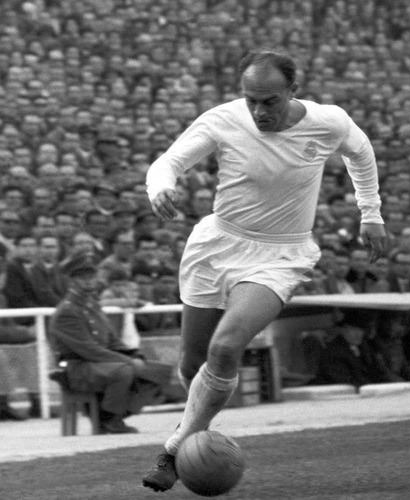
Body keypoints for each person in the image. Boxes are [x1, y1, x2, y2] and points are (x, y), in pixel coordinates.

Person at [141, 49, 386, 492]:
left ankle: (174, 451)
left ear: (293, 91)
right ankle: (195, 433)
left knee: (225, 346)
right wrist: (161, 187)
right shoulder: (223, 119)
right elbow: (168, 162)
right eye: (251, 99)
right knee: (193, 362)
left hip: (280, 255)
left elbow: (361, 152)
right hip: (216, 246)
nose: (259, 111)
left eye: (269, 101)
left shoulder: (327, 122)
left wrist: (371, 213)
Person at [49, 251, 171, 434]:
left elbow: (112, 341)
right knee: (124, 371)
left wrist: (133, 354)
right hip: (77, 367)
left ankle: (106, 415)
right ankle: (110, 419)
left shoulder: (92, 304)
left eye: (92, 276)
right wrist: (128, 361)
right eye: (83, 278)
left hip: (99, 363)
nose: (89, 281)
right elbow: (89, 350)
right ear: (72, 281)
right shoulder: (67, 311)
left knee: (159, 371)